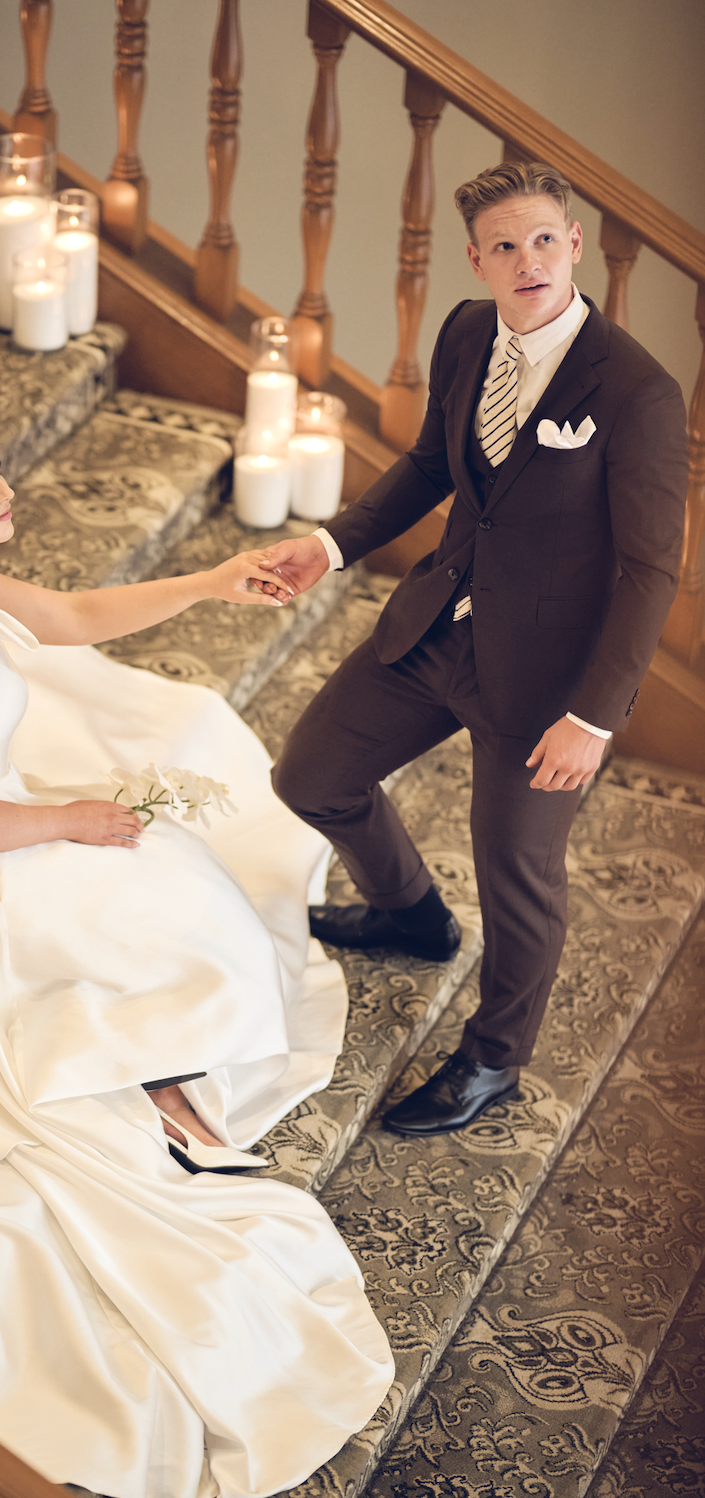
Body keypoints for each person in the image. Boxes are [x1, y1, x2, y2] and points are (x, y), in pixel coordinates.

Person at [0, 412, 394, 1498]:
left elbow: (76, 613)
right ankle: (153, 1075)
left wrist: (213, 580)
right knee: (168, 895)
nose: (9, 491)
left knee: (164, 879)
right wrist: (79, 818)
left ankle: (154, 1061)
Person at [260, 161, 688, 1138]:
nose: (527, 260)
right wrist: (329, 546)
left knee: (517, 876)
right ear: (477, 259)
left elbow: (648, 572)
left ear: (575, 244)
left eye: (544, 239)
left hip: (546, 686)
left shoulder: (638, 393)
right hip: (436, 626)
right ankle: (413, 914)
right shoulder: (462, 330)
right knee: (313, 774)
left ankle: (494, 1059)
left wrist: (594, 716)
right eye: (506, 246)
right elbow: (425, 466)